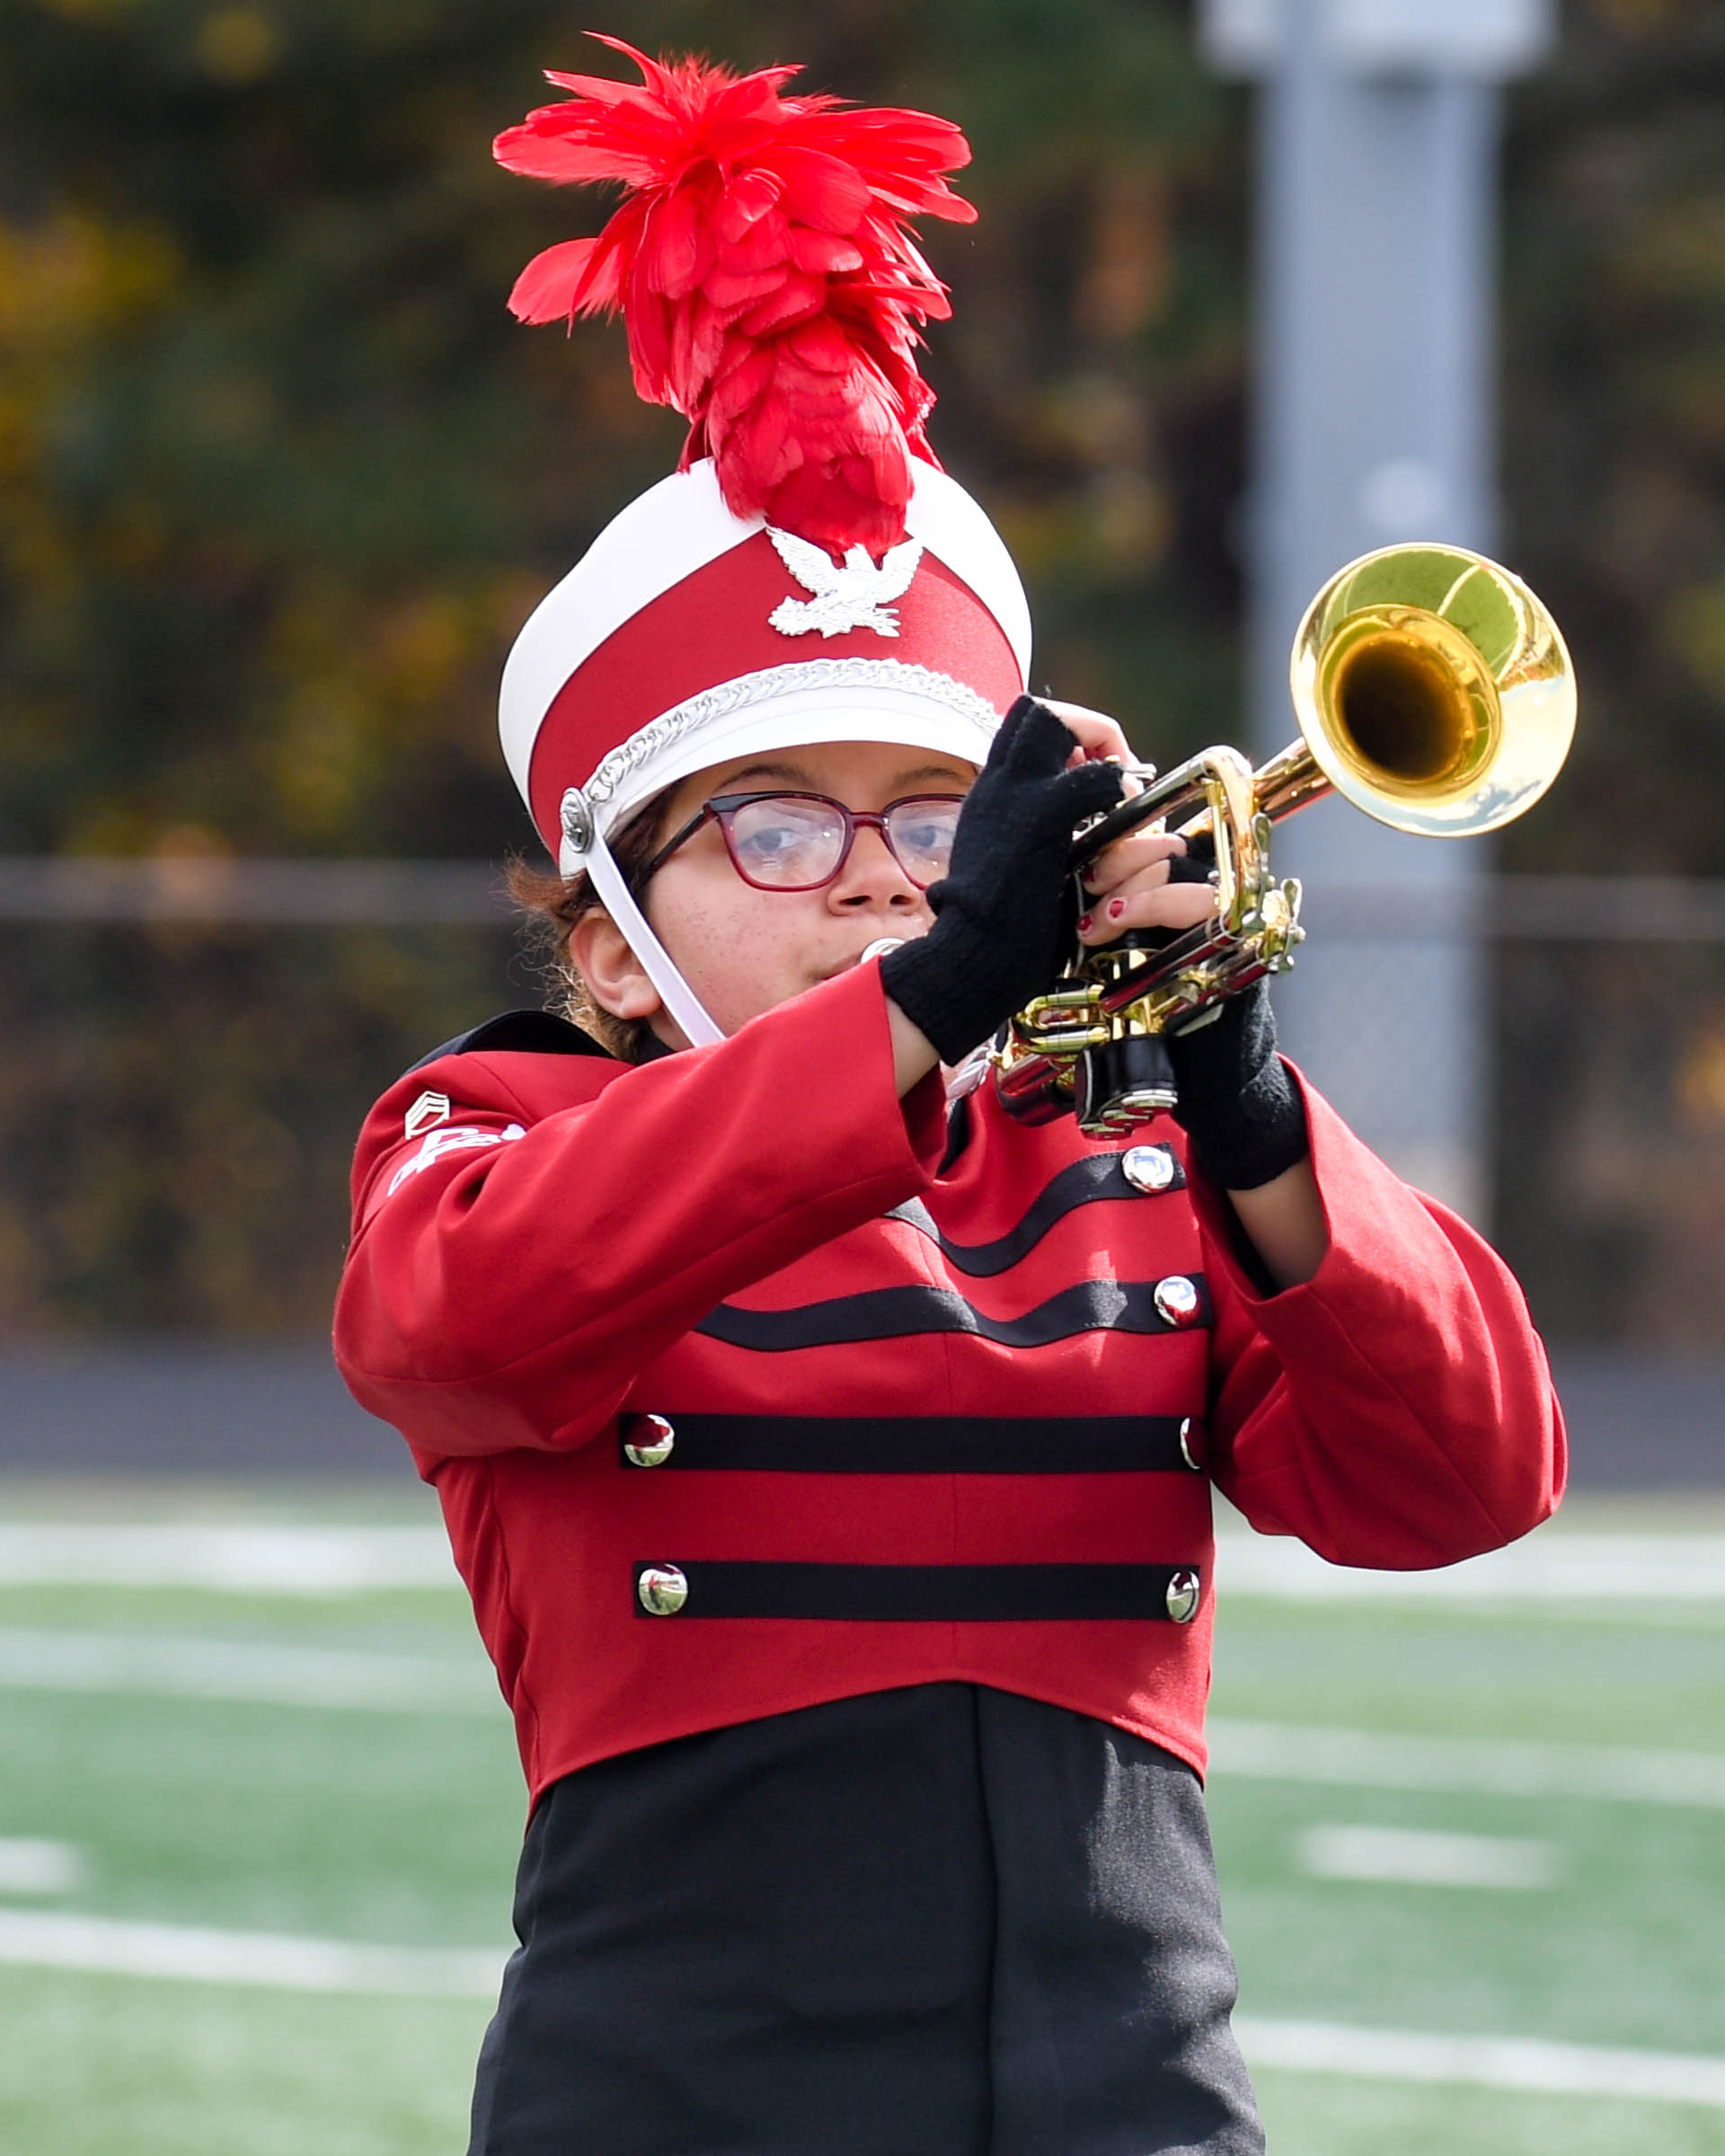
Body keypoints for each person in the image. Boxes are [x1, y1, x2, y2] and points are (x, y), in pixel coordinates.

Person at [332, 41, 1565, 2156]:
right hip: (683, 2096)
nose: (881, 883)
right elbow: (464, 1325)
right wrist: (937, 991)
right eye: (778, 830)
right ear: (609, 944)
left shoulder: (1131, 1160)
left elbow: (1462, 1478)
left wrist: (1248, 1099)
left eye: (934, 823)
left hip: (1132, 2093)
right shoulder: (497, 1139)